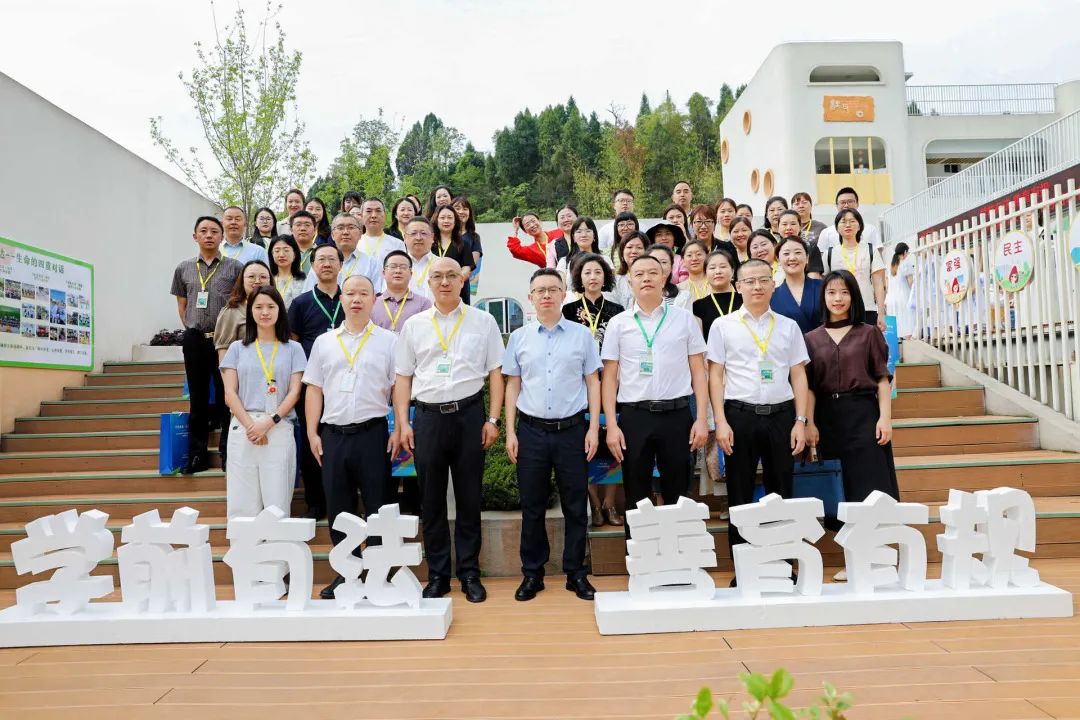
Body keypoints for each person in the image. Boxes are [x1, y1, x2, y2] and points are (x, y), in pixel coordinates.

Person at [394, 257, 504, 603]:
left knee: (469, 498)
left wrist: (493, 420)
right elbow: (403, 377)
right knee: (431, 500)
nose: (444, 282)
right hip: (428, 418)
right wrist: (404, 422)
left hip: (469, 415)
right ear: (428, 283)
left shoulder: (483, 321)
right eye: (438, 276)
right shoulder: (414, 325)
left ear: (462, 281)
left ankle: (469, 572)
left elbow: (496, 372)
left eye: (451, 276)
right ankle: (438, 575)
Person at [503, 268, 601, 602]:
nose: (546, 295)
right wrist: (510, 432)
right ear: (530, 297)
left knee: (576, 505)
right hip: (531, 432)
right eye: (540, 290)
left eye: (553, 289)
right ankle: (533, 573)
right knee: (532, 506)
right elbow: (512, 384)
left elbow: (593, 382)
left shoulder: (582, 335)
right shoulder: (519, 337)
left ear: (563, 294)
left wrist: (593, 428)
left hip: (572, 431)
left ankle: (576, 573)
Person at [708, 259, 810, 578]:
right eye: (749, 281)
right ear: (738, 286)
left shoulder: (789, 326)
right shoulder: (722, 326)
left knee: (782, 492)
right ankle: (744, 569)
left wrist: (801, 421)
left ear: (773, 285)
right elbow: (715, 376)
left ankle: (783, 565)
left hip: (782, 416)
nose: (757, 286)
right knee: (739, 495)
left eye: (763, 280)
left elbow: (798, 374)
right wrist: (720, 422)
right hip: (739, 416)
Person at [303, 273, 400, 599]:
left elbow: (399, 388)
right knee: (339, 506)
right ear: (341, 299)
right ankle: (347, 572)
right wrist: (312, 432)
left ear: (374, 299)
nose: (356, 299)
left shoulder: (389, 341)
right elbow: (314, 389)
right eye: (350, 293)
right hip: (333, 435)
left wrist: (398, 427)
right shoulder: (324, 342)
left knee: (378, 505)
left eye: (363, 293)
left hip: (373, 433)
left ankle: (377, 573)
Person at [601, 255, 710, 533]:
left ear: (664, 278)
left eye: (653, 272)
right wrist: (612, 425)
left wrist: (700, 419)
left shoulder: (685, 320)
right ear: (630, 282)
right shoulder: (618, 323)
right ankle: (639, 556)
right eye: (639, 274)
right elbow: (610, 377)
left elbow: (699, 371)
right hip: (634, 417)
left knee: (678, 493)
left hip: (677, 415)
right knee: (636, 494)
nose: (646, 278)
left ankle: (679, 554)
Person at [805, 269, 899, 579]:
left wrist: (885, 418)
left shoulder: (869, 333)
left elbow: (882, 379)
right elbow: (809, 388)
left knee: (869, 485)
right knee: (840, 488)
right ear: (823, 297)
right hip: (828, 419)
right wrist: (809, 422)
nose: (838, 298)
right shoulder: (811, 338)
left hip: (864, 415)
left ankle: (878, 559)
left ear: (854, 296)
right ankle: (855, 559)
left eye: (844, 292)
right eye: (831, 292)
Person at [219, 286, 306, 520]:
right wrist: (252, 426)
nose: (264, 312)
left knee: (277, 501)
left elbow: (294, 392)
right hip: (243, 427)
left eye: (270, 306)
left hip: (278, 425)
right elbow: (230, 393)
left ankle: (276, 544)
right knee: (241, 502)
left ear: (280, 310)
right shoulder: (237, 348)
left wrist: (268, 423)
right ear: (250, 311)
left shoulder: (294, 349)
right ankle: (244, 545)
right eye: (258, 307)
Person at [171, 216, 243, 474]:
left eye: (214, 231)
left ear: (222, 237)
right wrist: (193, 328)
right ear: (195, 236)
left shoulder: (235, 267)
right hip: (195, 339)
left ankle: (228, 453)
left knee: (227, 396)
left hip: (225, 340)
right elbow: (182, 305)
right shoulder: (183, 268)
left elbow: (240, 303)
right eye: (204, 231)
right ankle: (197, 456)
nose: (209, 235)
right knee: (198, 398)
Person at [562, 254, 625, 527]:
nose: (593, 277)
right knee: (584, 446)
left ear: (605, 276)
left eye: (598, 272)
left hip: (612, 383)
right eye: (587, 272)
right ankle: (594, 505)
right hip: (579, 385)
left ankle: (610, 504)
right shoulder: (567, 311)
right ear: (579, 277)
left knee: (613, 445)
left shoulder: (617, 310)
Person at [286, 243, 346, 520]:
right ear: (313, 265)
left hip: (345, 384)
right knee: (313, 441)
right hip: (312, 386)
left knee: (342, 444)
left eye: (332, 259)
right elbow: (292, 344)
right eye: (321, 259)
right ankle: (315, 502)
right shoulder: (301, 303)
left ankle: (342, 502)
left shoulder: (352, 298)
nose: (326, 264)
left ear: (341, 265)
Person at [822, 208, 887, 331]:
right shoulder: (829, 254)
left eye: (852, 221)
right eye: (843, 221)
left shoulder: (870, 250)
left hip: (866, 309)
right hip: (838, 310)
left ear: (859, 226)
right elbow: (823, 285)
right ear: (837, 227)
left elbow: (878, 284)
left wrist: (881, 313)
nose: (848, 225)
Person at [303, 213, 383, 294]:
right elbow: (308, 294)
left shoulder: (372, 263)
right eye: (340, 228)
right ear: (332, 235)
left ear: (360, 234)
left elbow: (377, 296)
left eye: (351, 227)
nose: (345, 232)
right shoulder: (320, 263)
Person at [215, 261, 272, 362]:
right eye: (251, 277)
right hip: (243, 369)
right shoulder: (231, 311)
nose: (257, 281)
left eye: (263, 277)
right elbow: (224, 352)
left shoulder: (277, 308)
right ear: (242, 281)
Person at [371, 249, 433, 333]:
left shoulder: (423, 304)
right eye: (393, 266)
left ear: (411, 274)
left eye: (403, 267)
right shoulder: (372, 303)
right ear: (384, 273)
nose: (398, 271)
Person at [771, 237, 823, 333]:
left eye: (798, 252)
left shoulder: (824, 287)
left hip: (823, 342)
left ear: (807, 258)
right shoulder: (772, 296)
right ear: (778, 259)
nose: (792, 258)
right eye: (786, 254)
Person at [692, 249, 742, 342]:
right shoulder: (698, 307)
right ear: (705, 273)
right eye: (712, 268)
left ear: (732, 271)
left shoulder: (745, 300)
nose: (718, 271)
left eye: (723, 266)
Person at [817, 187, 883, 255]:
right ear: (837, 205)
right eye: (842, 202)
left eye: (850, 201)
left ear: (857, 204)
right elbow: (821, 256)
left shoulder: (870, 229)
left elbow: (878, 252)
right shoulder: (826, 233)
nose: (846, 205)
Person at [432, 204, 476, 304]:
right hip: (434, 289)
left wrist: (453, 281)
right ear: (436, 220)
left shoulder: (463, 243)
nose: (446, 221)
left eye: (450, 218)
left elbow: (466, 269)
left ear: (455, 221)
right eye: (442, 218)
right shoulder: (430, 243)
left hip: (457, 291)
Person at [553, 216, 606, 281]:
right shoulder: (564, 262)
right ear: (573, 237)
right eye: (579, 231)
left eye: (588, 231)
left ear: (594, 235)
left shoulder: (605, 259)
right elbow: (561, 285)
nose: (584, 235)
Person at [357, 198, 407, 266]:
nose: (374, 215)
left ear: (385, 215)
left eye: (378, 211)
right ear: (361, 216)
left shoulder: (397, 244)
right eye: (369, 211)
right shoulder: (354, 243)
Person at [777, 209, 824, 277]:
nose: (788, 228)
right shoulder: (773, 249)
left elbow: (814, 278)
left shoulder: (810, 248)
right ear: (778, 228)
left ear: (800, 227)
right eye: (784, 224)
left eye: (793, 224)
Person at [403, 216, 437, 302]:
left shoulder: (443, 264)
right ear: (405, 238)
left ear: (432, 237)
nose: (418, 238)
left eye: (423, 233)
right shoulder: (396, 265)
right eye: (413, 233)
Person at [267, 235, 306, 309]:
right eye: (277, 251)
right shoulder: (266, 279)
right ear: (272, 255)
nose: (281, 255)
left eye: (286, 250)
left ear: (294, 254)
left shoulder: (304, 281)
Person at [887, 242, 915, 338]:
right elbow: (910, 282)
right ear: (905, 252)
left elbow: (887, 284)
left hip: (891, 298)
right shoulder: (906, 263)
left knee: (896, 323)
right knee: (907, 322)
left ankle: (898, 342)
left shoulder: (891, 266)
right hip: (903, 296)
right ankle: (908, 341)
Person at [611, 232, 646, 308]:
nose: (634, 251)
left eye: (639, 247)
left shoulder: (654, 277)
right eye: (629, 247)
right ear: (622, 253)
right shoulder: (615, 281)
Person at [453, 195, 485, 272]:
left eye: (465, 209)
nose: (461, 212)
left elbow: (472, 264)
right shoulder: (445, 234)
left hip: (463, 276)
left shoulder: (474, 237)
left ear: (469, 213)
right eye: (457, 208)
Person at [598, 188, 635, 252]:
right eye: (621, 200)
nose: (625, 203)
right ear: (614, 205)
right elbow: (600, 253)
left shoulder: (643, 229)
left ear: (633, 205)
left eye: (629, 201)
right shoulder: (604, 230)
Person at [545, 204, 581, 269]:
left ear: (577, 218)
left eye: (569, 216)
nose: (566, 220)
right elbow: (551, 270)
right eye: (562, 217)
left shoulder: (587, 238)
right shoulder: (553, 245)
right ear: (557, 223)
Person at [677, 240, 710, 305]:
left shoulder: (717, 283)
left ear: (707, 256)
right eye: (689, 255)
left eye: (699, 254)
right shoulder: (678, 289)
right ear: (683, 260)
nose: (694, 258)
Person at [289, 210, 321, 275]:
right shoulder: (284, 253)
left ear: (315, 230)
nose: (303, 228)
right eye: (298, 225)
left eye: (307, 225)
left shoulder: (321, 253)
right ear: (291, 230)